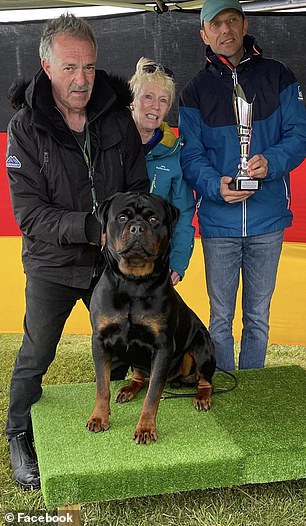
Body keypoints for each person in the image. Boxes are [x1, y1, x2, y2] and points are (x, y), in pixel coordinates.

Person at [5, 13, 149, 490]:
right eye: (70, 67)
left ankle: (129, 398)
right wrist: (92, 228)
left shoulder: (116, 119)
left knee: (126, 342)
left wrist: (128, 232)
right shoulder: (25, 128)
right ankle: (18, 432)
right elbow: (29, 215)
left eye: (89, 67)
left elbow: (137, 187)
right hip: (53, 262)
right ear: (47, 66)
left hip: (110, 264)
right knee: (37, 351)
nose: (82, 79)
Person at [179, 0, 306, 371]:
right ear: (203, 33)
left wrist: (271, 162)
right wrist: (215, 186)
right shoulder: (194, 91)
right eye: (215, 24)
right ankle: (223, 388)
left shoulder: (279, 75)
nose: (225, 30)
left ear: (244, 23)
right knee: (220, 318)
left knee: (258, 318)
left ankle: (250, 394)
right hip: (219, 223)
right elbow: (191, 156)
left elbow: (299, 135)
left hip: (267, 220)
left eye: (231, 20)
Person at [129, 57, 195, 285]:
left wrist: (178, 260)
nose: (155, 107)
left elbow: (183, 211)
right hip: (113, 261)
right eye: (148, 97)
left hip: (155, 261)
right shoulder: (112, 144)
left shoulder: (175, 153)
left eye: (163, 100)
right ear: (133, 101)